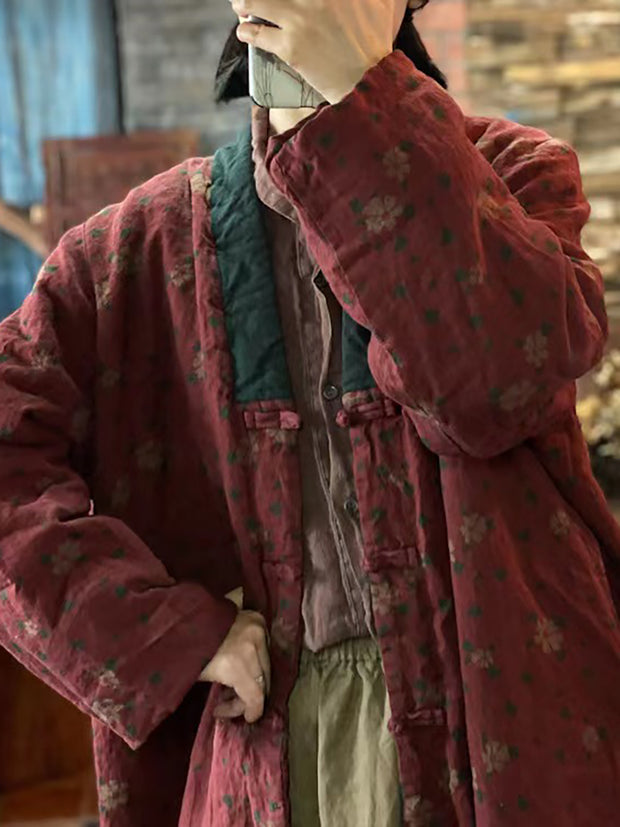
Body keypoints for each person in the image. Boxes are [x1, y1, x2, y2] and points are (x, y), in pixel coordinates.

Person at [0, 1, 618, 824]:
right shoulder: (135, 252)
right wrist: (162, 632)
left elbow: (491, 389)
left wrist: (364, 101)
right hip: (267, 762)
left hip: (512, 736)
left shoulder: (516, 177)